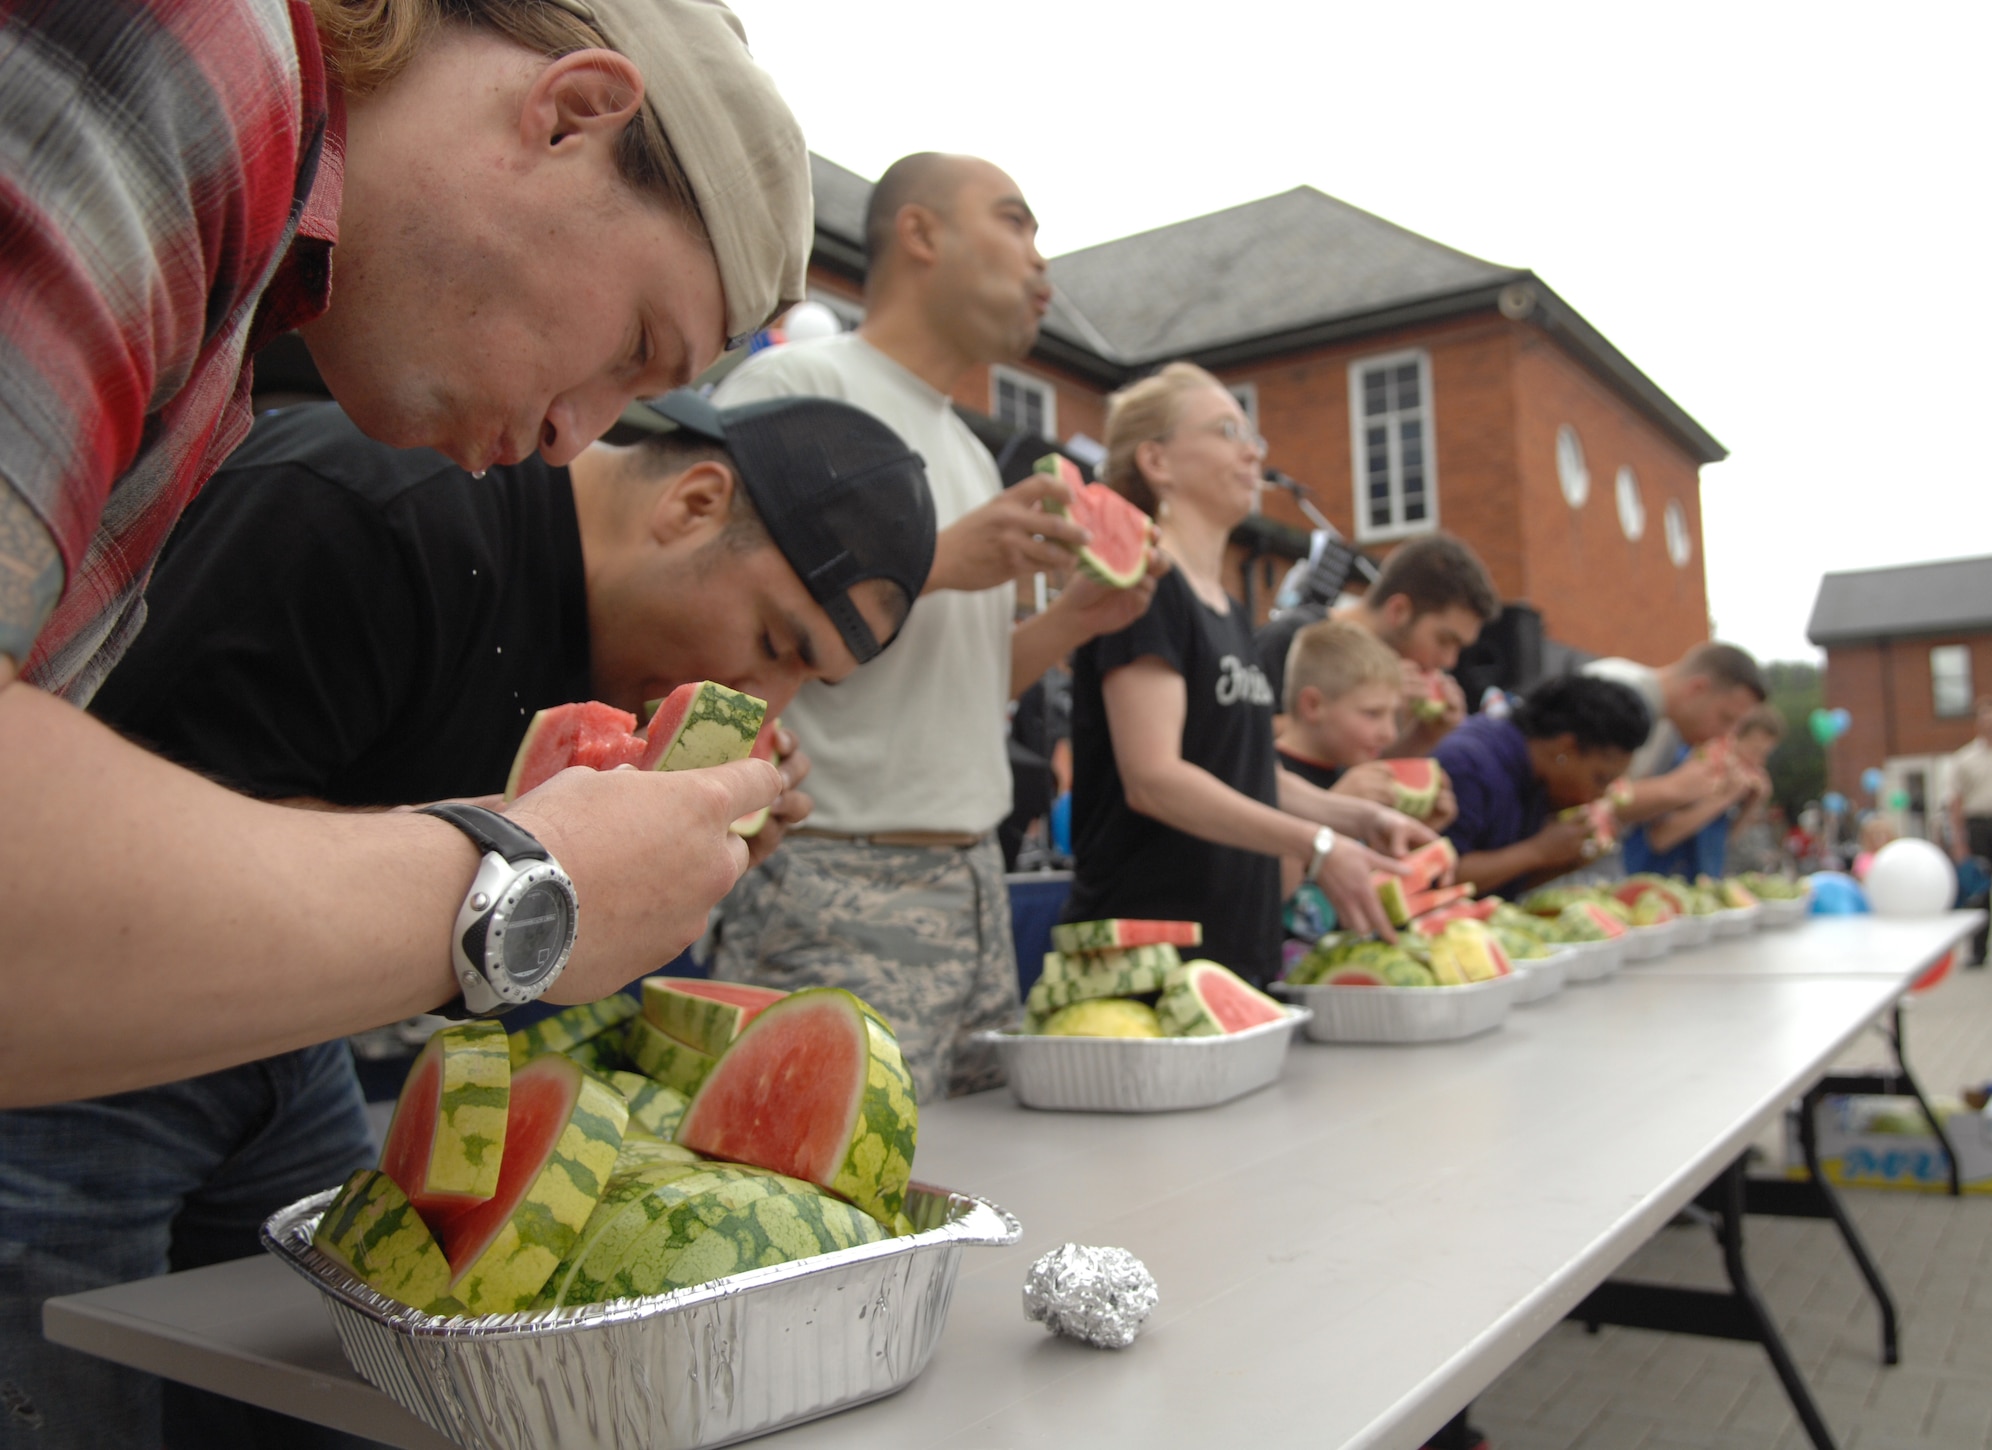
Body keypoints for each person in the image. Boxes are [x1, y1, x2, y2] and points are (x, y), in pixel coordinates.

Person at [0, 391, 936, 1449]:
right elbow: (147, 858)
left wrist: (656, 852)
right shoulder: (369, 506)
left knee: (333, 1408)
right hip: (71, 1061)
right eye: (773, 642)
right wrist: (542, 876)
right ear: (692, 501)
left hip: (292, 1046)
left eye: (805, 682)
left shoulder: (606, 634)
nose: (766, 701)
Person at [0, 0, 810, 1108]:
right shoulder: (199, 44)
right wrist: (520, 887)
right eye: (632, 345)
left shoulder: (246, 304)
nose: (575, 435)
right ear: (570, 115)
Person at [701, 152, 1165, 1102]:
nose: (1044, 264)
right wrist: (937, 560)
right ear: (921, 233)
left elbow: (961, 683)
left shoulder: (970, 450)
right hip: (834, 886)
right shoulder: (795, 391)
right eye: (1015, 223)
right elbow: (720, 635)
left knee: (981, 1184)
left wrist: (1080, 616)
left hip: (977, 888)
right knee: (817, 1201)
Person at [1063, 363, 1432, 985]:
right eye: (1227, 430)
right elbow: (1153, 779)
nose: (1254, 451)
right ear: (1158, 461)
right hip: (1150, 955)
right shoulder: (1145, 588)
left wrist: (1355, 820)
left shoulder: (1231, 609)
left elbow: (1243, 771)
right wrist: (1314, 846)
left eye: (1253, 436)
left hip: (1236, 949)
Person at [1255, 532, 1501, 755]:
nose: (1450, 661)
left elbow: (1353, 775)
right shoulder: (1289, 639)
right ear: (1399, 611)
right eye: (1444, 640)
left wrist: (1424, 736)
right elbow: (1236, 736)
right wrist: (1354, 707)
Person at [1432, 674, 1653, 899]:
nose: (1600, 796)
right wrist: (1537, 851)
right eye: (1600, 779)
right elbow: (1439, 877)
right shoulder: (1469, 764)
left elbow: (1501, 886)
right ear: (1566, 748)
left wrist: (1565, 860)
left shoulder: (1539, 779)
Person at [1570, 642, 1768, 865]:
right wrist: (1676, 789)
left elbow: (1615, 809)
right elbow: (1576, 801)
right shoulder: (1616, 689)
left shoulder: (1667, 722)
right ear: (1698, 689)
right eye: (1726, 718)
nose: (1726, 735)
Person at [1277, 618, 1460, 833]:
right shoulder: (1264, 780)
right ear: (1313, 705)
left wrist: (1417, 833)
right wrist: (1334, 808)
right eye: (1373, 714)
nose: (1390, 735)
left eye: (1394, 714)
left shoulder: (1353, 773)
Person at [1625, 706, 1785, 880]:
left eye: (1765, 755)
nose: (1758, 762)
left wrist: (1753, 803)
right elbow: (1660, 838)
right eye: (1755, 751)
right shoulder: (1697, 766)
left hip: (1702, 879)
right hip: (1658, 877)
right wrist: (1724, 798)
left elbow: (1722, 841)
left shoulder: (1730, 783)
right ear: (1732, 739)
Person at [1948, 697, 1992, 965]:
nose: (1991, 723)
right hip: (1979, 827)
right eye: (1986, 718)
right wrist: (1959, 842)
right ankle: (1979, 952)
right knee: (1980, 893)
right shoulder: (1965, 759)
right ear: (1979, 723)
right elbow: (1955, 803)